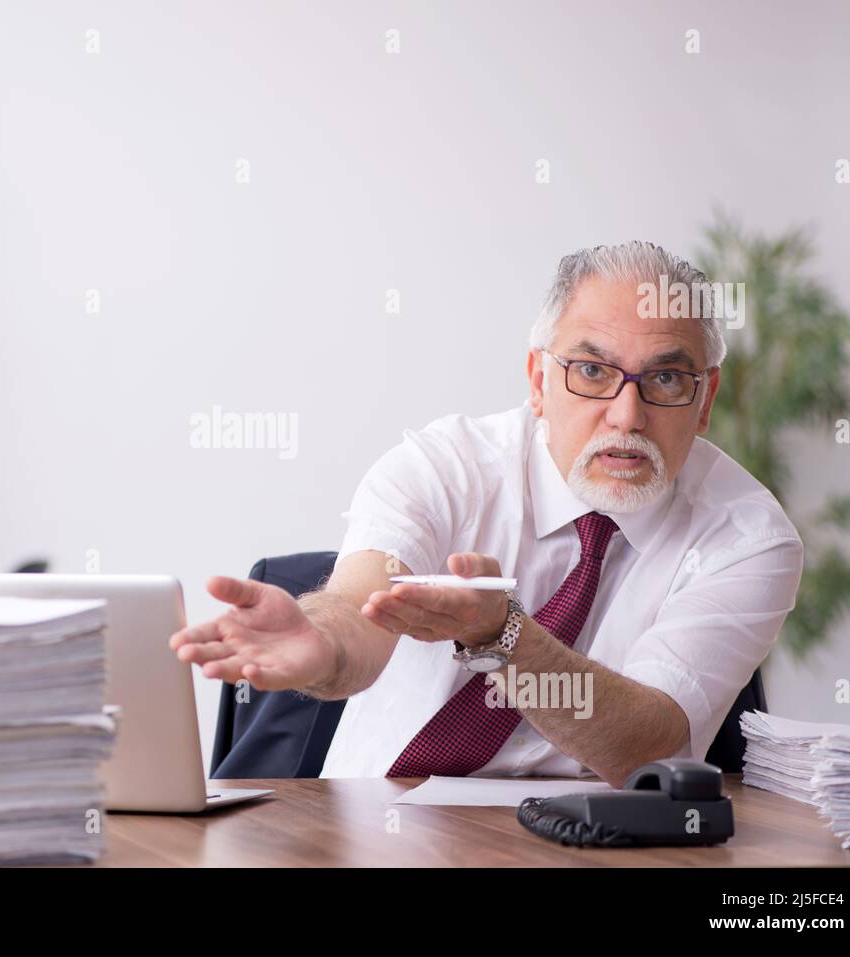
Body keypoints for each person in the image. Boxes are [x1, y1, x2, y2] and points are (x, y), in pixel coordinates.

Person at [169, 241, 803, 787]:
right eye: (590, 371)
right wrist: (324, 642)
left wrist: (503, 638)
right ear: (537, 380)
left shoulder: (747, 536)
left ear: (706, 397)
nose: (626, 415)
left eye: (666, 380)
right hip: (378, 832)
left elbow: (651, 745)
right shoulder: (445, 468)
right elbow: (361, 607)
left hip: (588, 842)